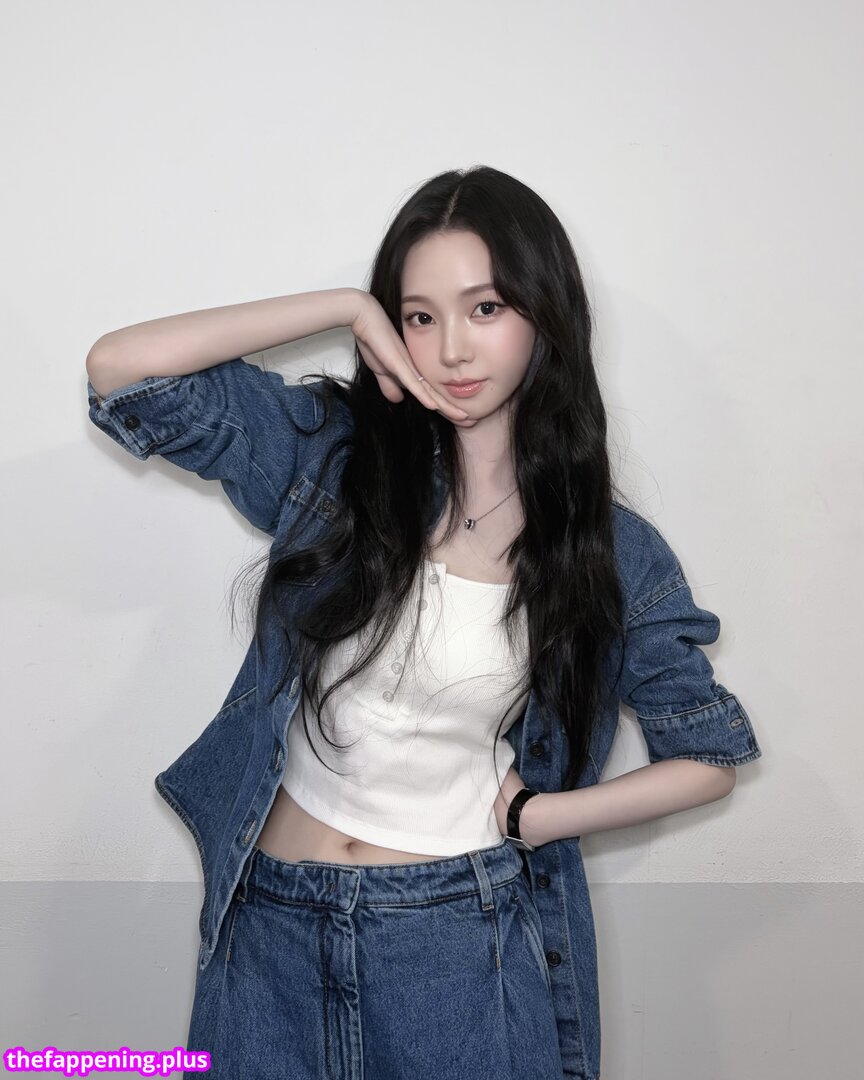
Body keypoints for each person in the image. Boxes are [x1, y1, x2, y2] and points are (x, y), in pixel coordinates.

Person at [85, 165, 762, 1080]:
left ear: (545, 316)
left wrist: (542, 815)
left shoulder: (608, 550)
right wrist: (342, 308)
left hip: (455, 945)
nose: (451, 349)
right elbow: (121, 372)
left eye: (485, 308)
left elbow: (709, 758)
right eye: (418, 316)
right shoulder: (335, 464)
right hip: (270, 935)